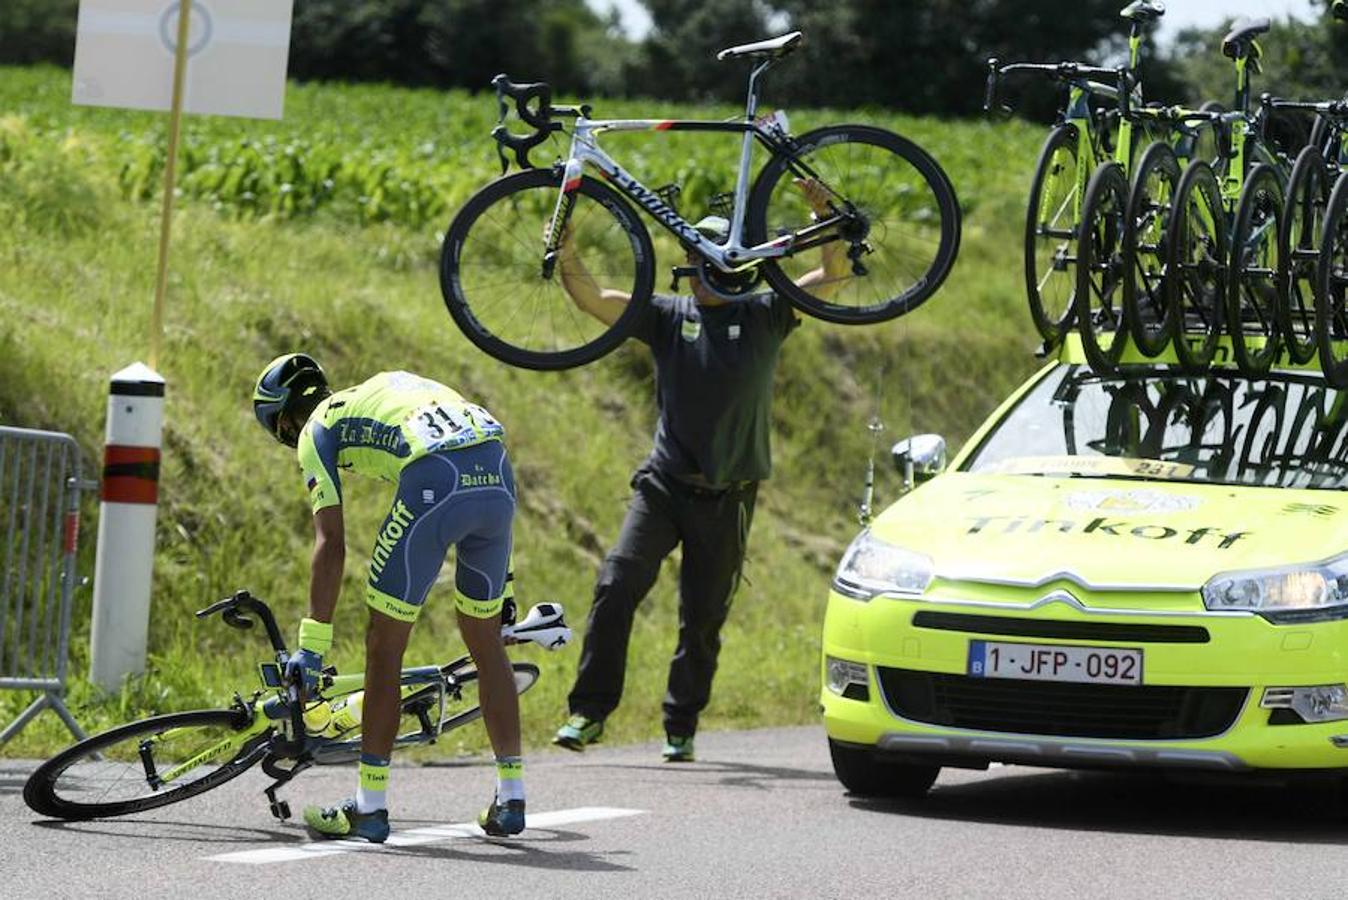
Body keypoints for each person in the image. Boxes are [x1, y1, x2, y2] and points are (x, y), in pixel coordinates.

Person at [551, 179, 846, 761]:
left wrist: (826, 216)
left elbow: (832, 278)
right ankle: (588, 713)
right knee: (616, 584)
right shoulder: (666, 315)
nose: (702, 264)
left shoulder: (767, 312)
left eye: (713, 254)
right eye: (694, 254)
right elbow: (594, 300)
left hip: (730, 496)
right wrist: (565, 250)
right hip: (663, 487)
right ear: (686, 261)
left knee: (703, 618)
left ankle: (680, 724)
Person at [252, 354, 525, 843]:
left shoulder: (317, 428)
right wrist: (503, 586)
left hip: (436, 481)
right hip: (498, 472)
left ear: (287, 418)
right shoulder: (385, 387)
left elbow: (330, 542)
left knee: (384, 647)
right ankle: (512, 798)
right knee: (486, 644)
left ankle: (370, 808)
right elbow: (474, 452)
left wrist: (312, 648)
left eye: (280, 431)